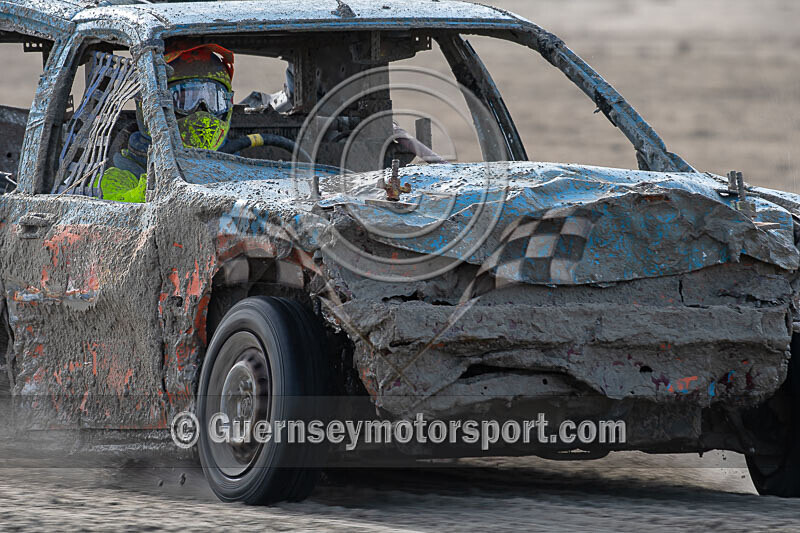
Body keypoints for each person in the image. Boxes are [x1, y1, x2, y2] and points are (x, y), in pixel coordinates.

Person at [100, 42, 235, 202]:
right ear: (148, 106)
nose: (202, 112)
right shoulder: (120, 174)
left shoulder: (239, 166)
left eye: (214, 101)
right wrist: (157, 184)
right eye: (185, 100)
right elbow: (118, 204)